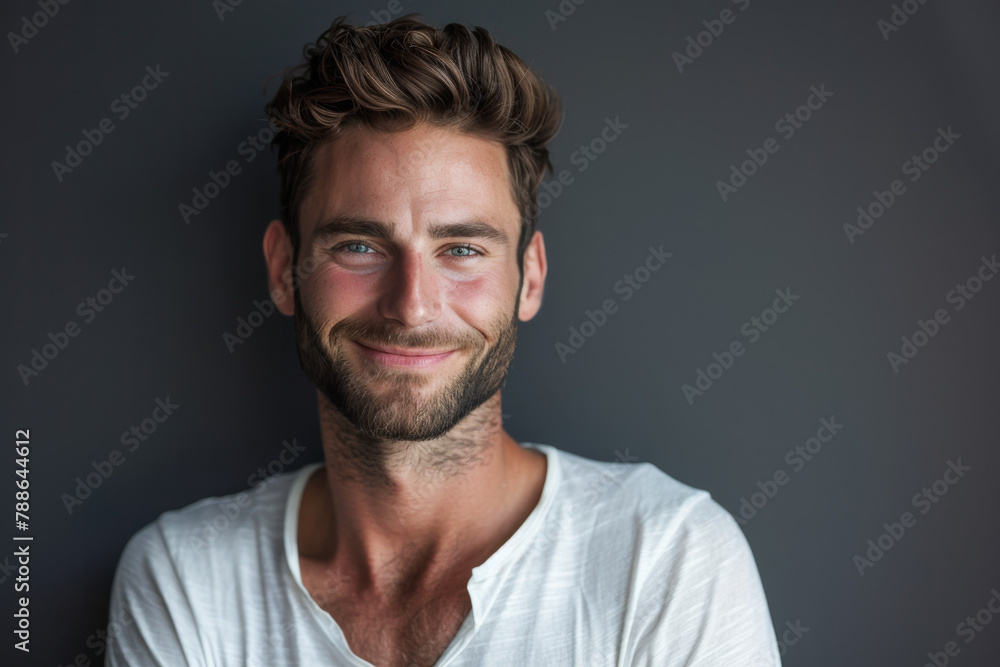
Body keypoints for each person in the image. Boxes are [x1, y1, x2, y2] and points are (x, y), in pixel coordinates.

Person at [107, 14, 781, 666]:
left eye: (461, 248)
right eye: (359, 245)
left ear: (530, 276)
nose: (411, 305)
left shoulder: (664, 559)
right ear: (286, 271)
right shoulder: (185, 581)